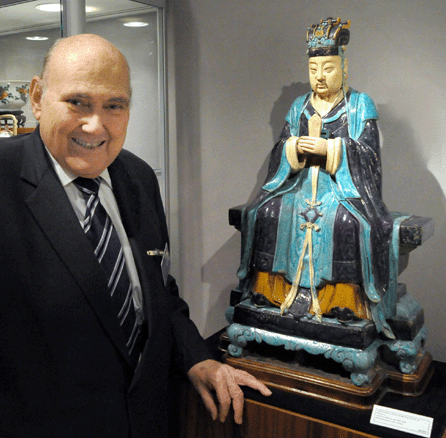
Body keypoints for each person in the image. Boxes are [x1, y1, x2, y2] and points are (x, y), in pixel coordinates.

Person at [0, 34, 270, 438]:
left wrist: (197, 359)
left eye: (114, 106)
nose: (96, 124)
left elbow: (158, 294)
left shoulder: (138, 177)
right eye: (78, 102)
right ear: (37, 98)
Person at [237, 17, 397, 337]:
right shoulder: (299, 106)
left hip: (341, 189)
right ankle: (271, 294)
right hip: (298, 184)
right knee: (266, 212)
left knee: (346, 223)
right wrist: (293, 148)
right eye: (313, 70)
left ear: (344, 67)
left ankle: (342, 302)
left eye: (328, 68)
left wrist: (333, 149)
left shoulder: (358, 105)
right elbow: (279, 150)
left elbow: (370, 158)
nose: (320, 77)